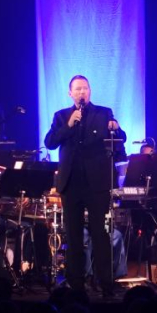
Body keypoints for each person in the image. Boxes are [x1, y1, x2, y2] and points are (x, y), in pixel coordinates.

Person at [45, 75, 127, 296]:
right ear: (70, 93)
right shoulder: (61, 116)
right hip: (71, 183)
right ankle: (76, 285)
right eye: (78, 89)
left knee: (101, 234)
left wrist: (117, 129)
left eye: (85, 88)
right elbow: (50, 142)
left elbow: (121, 139)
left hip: (97, 183)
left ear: (90, 91)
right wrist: (69, 125)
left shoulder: (104, 113)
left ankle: (105, 284)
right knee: (73, 235)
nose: (82, 92)